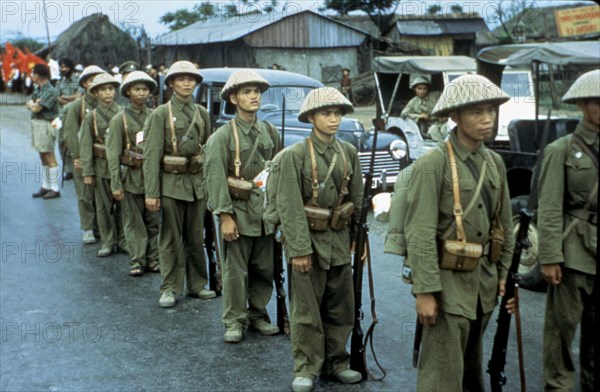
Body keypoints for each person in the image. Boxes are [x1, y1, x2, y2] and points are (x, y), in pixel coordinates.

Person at [404, 74, 515, 392]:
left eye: (491, 111)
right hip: (446, 289)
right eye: (476, 112)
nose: (487, 119)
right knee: (441, 377)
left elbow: (503, 225)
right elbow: (420, 232)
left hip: (483, 287)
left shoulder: (494, 163)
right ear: (454, 116)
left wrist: (505, 276)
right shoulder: (432, 163)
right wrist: (424, 291)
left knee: (470, 374)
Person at [275, 87, 364, 392]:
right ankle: (306, 366)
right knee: (306, 309)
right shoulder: (294, 156)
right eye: (326, 113)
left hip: (339, 241)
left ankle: (336, 362)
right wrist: (299, 249)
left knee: (341, 307)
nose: (333, 119)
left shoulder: (348, 153)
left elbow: (357, 200)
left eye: (338, 113)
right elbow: (288, 206)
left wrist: (357, 243)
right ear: (312, 117)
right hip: (307, 242)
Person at [204, 69, 280, 343]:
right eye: (247, 92)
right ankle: (234, 320)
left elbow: (278, 174)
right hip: (237, 213)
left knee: (264, 269)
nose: (254, 97)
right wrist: (225, 216)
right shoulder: (222, 137)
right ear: (234, 98)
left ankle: (258, 314)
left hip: (265, 215)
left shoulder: (270, 130)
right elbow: (214, 179)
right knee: (235, 271)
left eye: (257, 92)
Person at [538, 69, 598, 392]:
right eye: (598, 103)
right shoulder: (561, 149)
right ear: (583, 105)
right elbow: (548, 207)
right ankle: (558, 387)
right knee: (561, 333)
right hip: (573, 250)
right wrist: (549, 257)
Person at [143, 60, 216, 308]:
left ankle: (197, 284)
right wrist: (152, 193)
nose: (187, 83)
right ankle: (169, 287)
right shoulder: (160, 114)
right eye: (181, 79)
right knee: (170, 238)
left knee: (196, 237)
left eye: (191, 79)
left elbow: (209, 154)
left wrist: (211, 190)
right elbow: (151, 156)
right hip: (170, 185)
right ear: (172, 83)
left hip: (196, 185)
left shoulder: (203, 114)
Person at [106, 71, 160, 277]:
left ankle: (153, 258)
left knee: (153, 220)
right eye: (136, 89)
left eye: (145, 89)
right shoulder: (119, 119)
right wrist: (116, 184)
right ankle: (137, 259)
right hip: (131, 177)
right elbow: (113, 154)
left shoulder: (155, 116)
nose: (141, 93)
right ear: (128, 92)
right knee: (133, 221)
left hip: (153, 177)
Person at [79, 73, 123, 257]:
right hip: (101, 166)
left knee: (123, 207)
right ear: (96, 93)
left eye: (111, 89)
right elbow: (85, 145)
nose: (108, 93)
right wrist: (88, 171)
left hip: (121, 167)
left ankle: (123, 240)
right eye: (103, 89)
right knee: (103, 207)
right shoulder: (92, 117)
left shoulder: (123, 113)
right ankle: (107, 241)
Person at [62, 65, 105, 245]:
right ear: (85, 84)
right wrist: (77, 157)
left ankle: (104, 228)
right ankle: (88, 227)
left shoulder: (109, 104)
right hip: (83, 155)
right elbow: (70, 133)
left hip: (103, 156)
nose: (96, 83)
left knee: (103, 194)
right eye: (92, 80)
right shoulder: (77, 106)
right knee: (85, 193)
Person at [27, 64, 60, 199]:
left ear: (38, 75)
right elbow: (30, 103)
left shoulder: (50, 90)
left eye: (33, 73)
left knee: (49, 156)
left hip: (47, 124)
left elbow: (36, 108)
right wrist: (33, 104)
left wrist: (34, 104)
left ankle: (55, 188)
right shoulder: (38, 88)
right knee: (42, 156)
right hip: (38, 124)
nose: (32, 76)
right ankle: (45, 186)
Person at [57, 57, 83, 181]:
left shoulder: (78, 81)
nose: (63, 69)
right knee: (61, 143)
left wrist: (66, 97)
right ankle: (68, 170)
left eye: (66, 67)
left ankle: (79, 167)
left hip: (76, 117)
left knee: (75, 143)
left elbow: (79, 97)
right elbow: (57, 98)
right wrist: (71, 98)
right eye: (62, 67)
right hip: (62, 117)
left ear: (71, 68)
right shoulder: (59, 82)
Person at [400, 75, 448, 141]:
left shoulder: (435, 95)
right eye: (419, 88)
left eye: (424, 88)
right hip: (429, 126)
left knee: (447, 130)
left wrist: (446, 114)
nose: (422, 91)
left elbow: (448, 98)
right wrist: (419, 116)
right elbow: (403, 114)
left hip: (443, 122)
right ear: (414, 89)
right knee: (433, 131)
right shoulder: (413, 102)